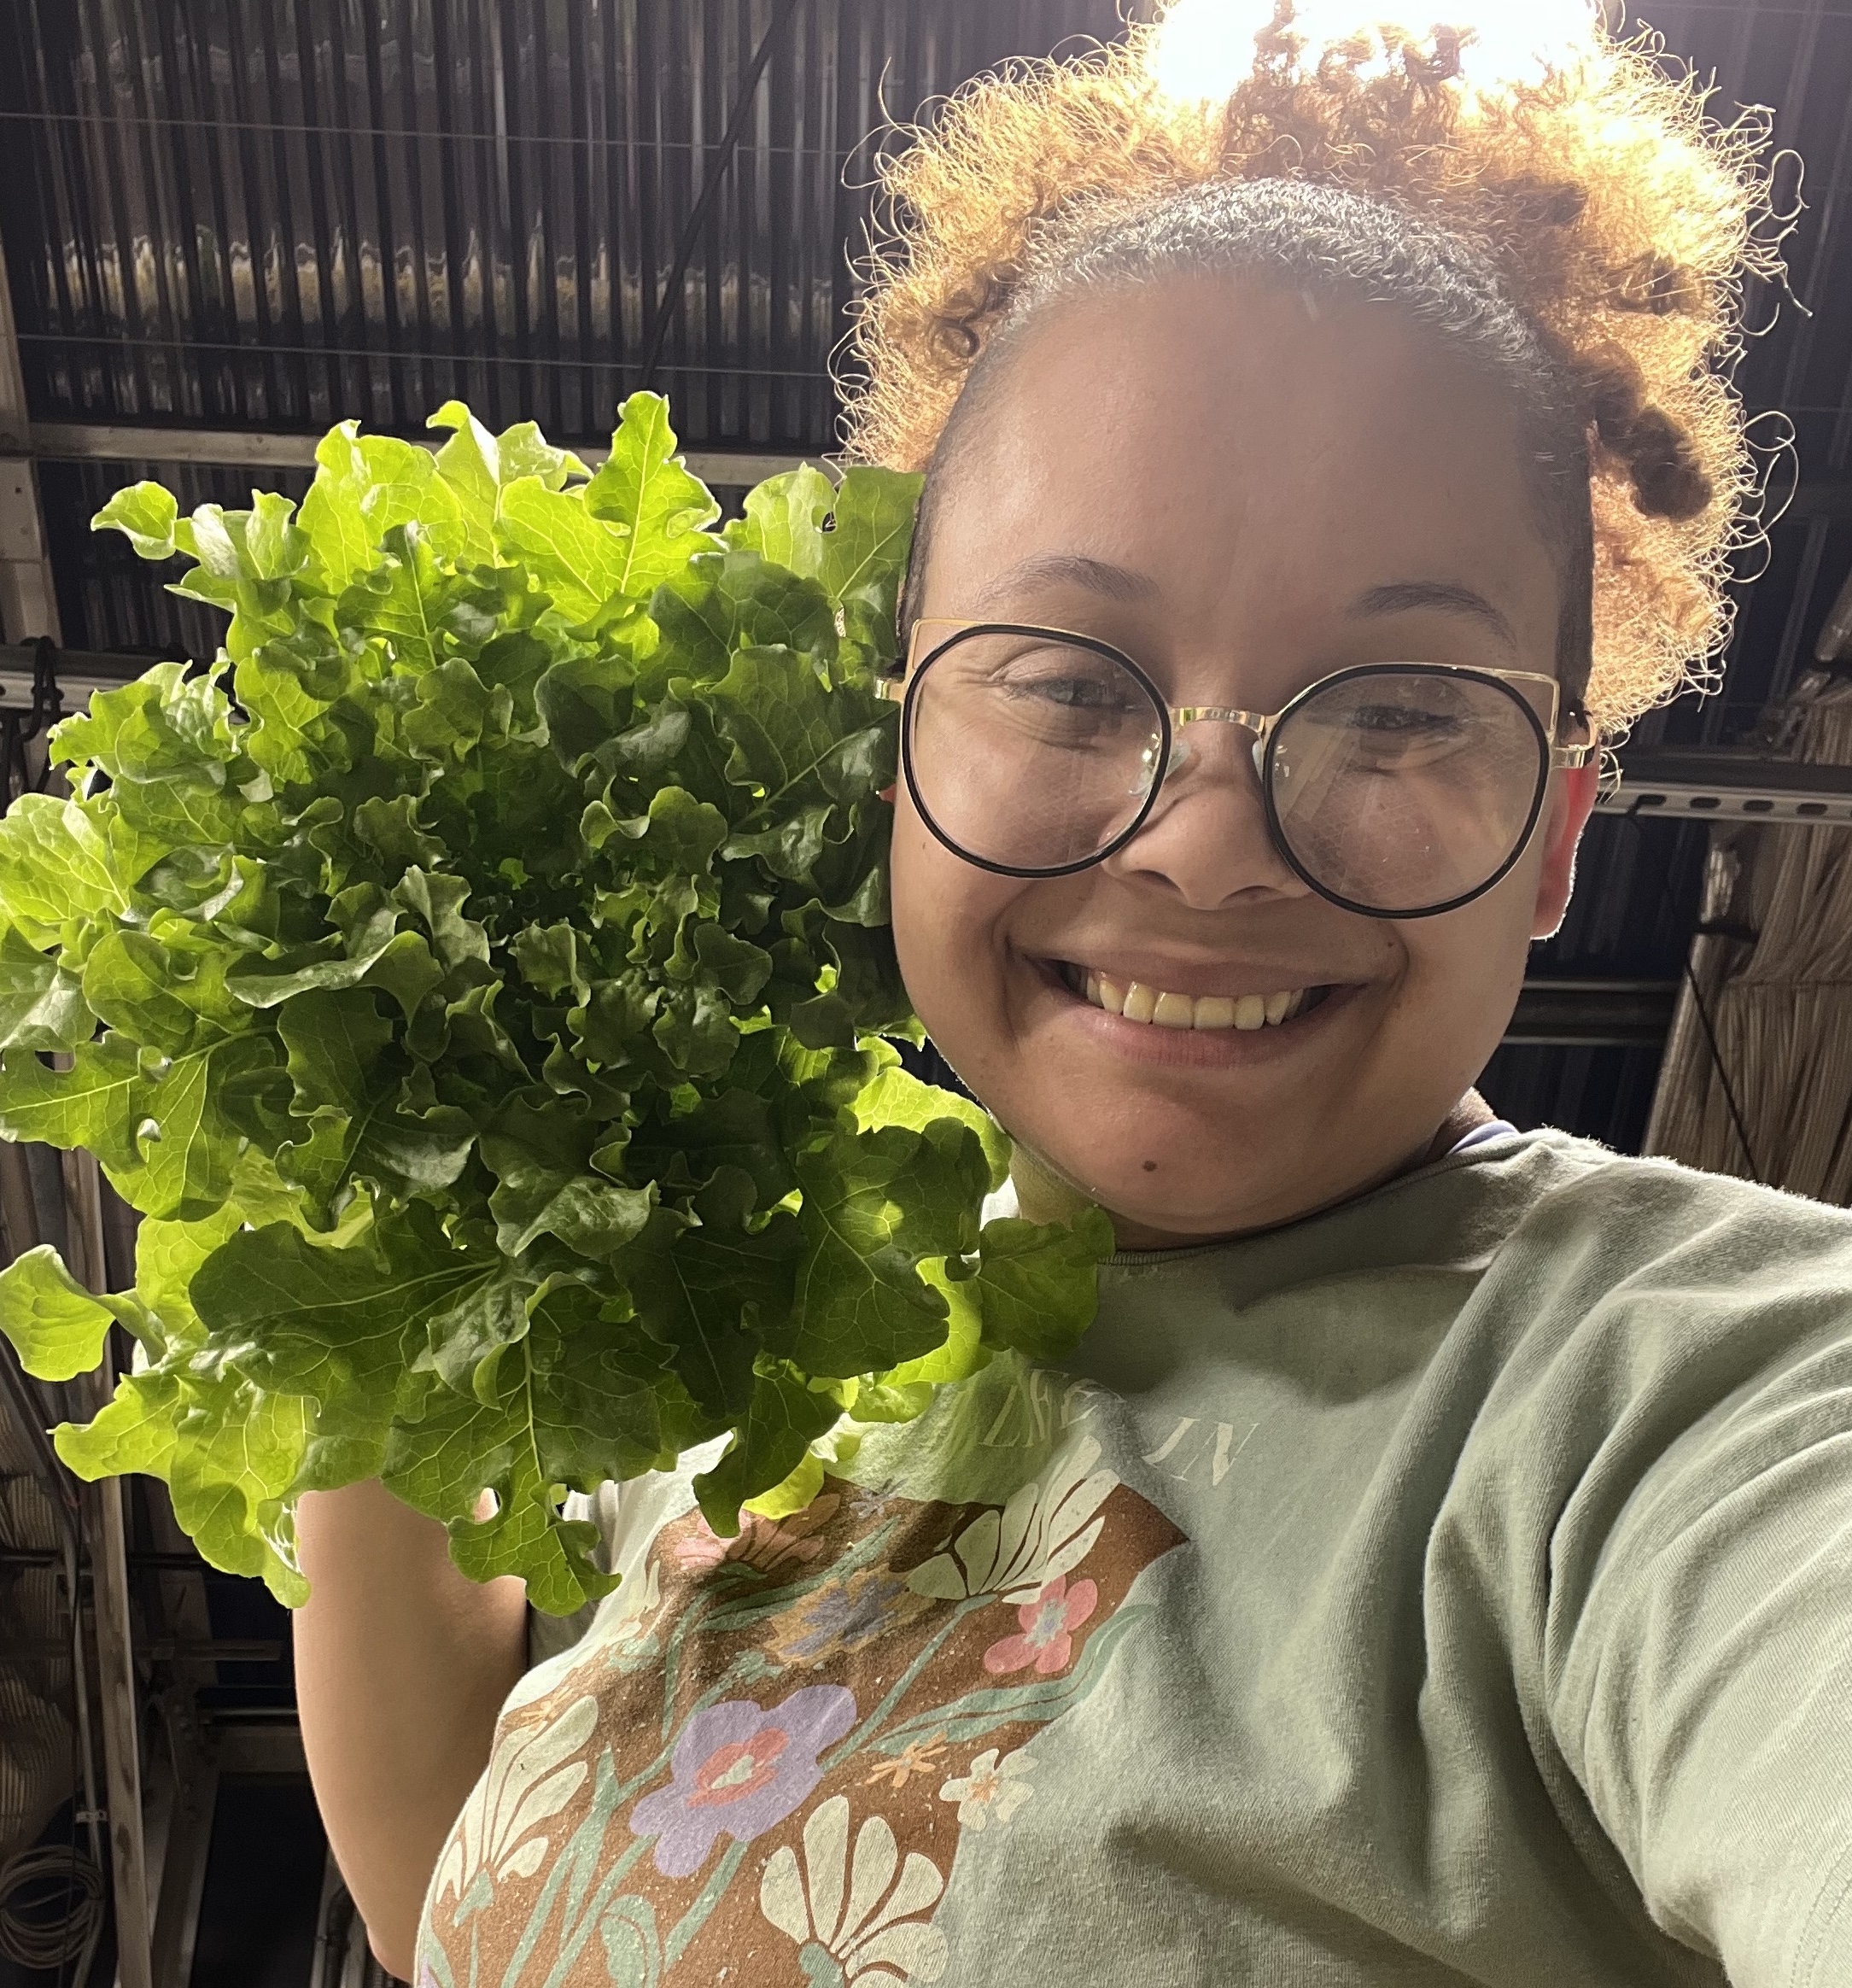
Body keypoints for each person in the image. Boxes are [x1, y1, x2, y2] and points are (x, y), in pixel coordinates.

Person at [297, 8, 1852, 1984]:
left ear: (1550, 832)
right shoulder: (769, 1355)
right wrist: (380, 1223)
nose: (1204, 843)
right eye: (1065, 677)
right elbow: (488, 1896)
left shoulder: (1685, 1403)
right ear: (898, 748)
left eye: (1392, 710)